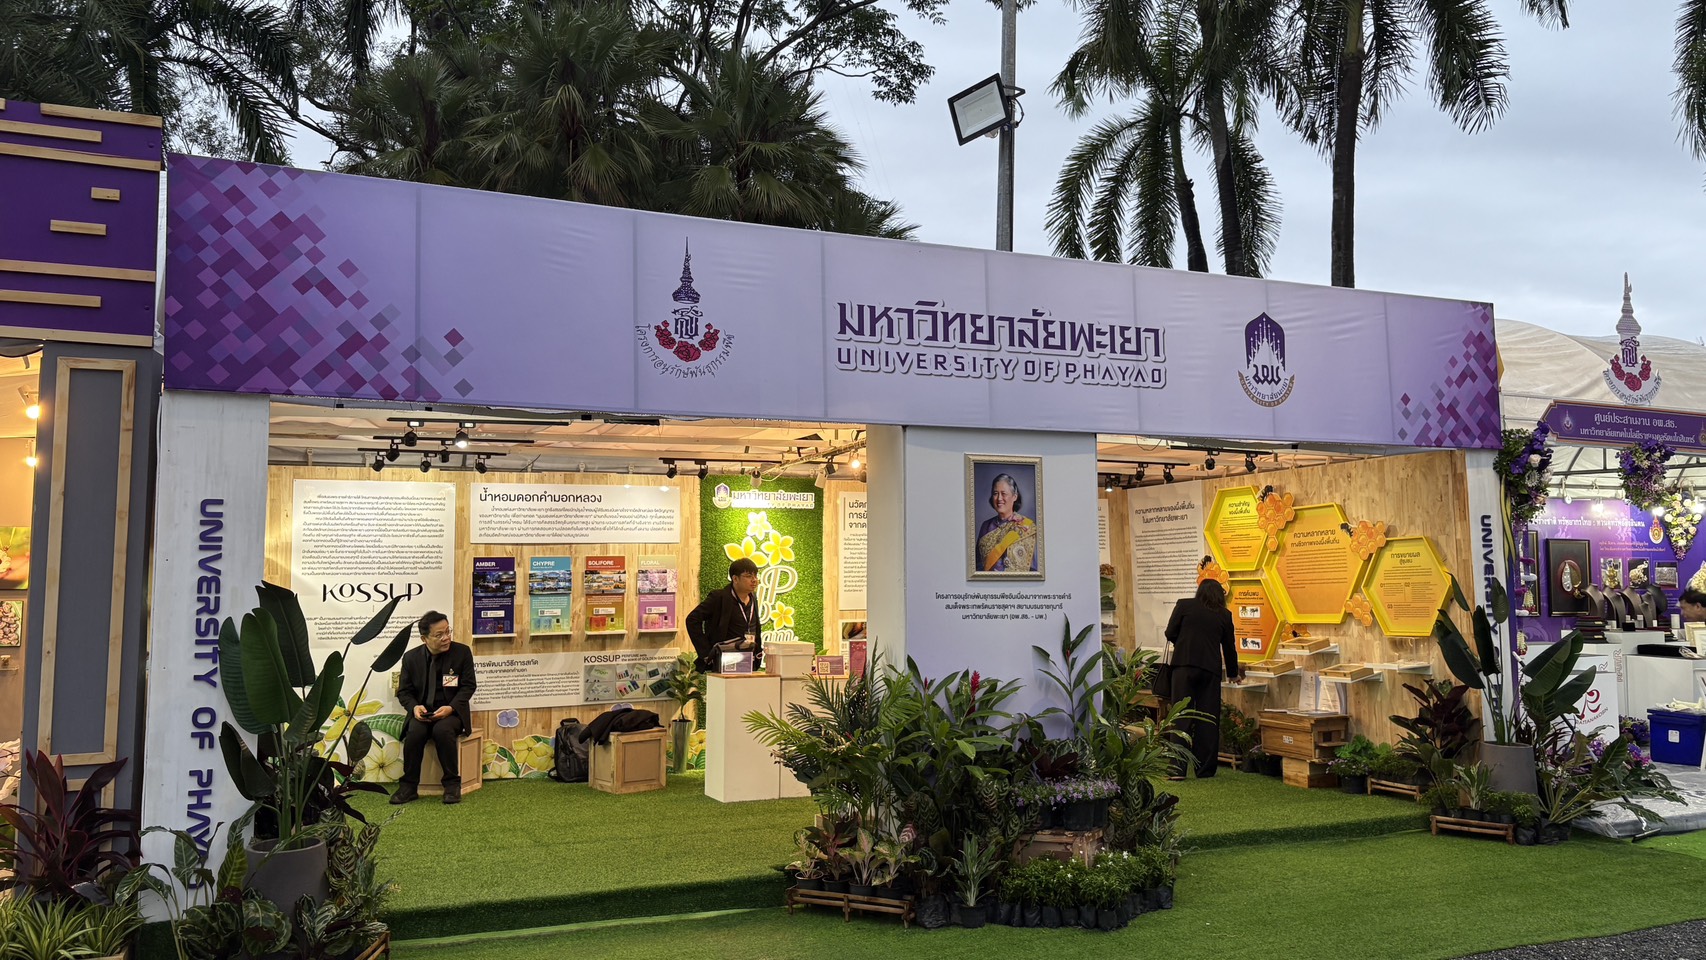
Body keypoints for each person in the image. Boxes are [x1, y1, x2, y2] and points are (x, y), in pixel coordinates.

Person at [392, 611, 477, 805]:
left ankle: (452, 785)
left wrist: (451, 708)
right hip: (423, 712)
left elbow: (468, 686)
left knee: (442, 730)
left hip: (451, 712)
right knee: (415, 732)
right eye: (439, 635)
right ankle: (408, 787)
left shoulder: (462, 652)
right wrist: (414, 708)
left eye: (448, 631)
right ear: (424, 639)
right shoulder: (411, 658)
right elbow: (404, 692)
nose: (446, 637)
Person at [1163, 579, 1241, 779]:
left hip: (1183, 666)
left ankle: (1177, 769)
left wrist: (1183, 643)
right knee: (1208, 718)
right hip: (1209, 669)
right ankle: (1205, 769)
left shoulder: (1184, 605)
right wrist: (1233, 673)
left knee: (1181, 716)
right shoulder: (1224, 615)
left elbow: (1170, 632)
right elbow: (1229, 647)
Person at [686, 558, 763, 673]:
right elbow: (692, 619)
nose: (754, 580)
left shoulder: (753, 598)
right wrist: (706, 652)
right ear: (735, 579)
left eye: (755, 576)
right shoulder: (719, 597)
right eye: (748, 576)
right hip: (725, 659)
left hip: (748, 659)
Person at [976, 472, 1038, 572]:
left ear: (1014, 497)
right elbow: (976, 565)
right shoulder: (985, 526)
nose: (999, 498)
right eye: (995, 494)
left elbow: (1035, 569)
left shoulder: (1027, 526)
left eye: (1004, 494)